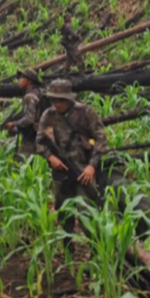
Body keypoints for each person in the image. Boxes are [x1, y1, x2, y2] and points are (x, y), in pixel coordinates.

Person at [36, 78, 109, 251]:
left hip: (83, 169)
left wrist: (92, 165)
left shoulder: (86, 113)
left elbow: (101, 139)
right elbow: (39, 140)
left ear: (69, 99)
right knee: (63, 211)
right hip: (61, 171)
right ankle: (68, 247)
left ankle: (96, 253)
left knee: (87, 212)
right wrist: (49, 157)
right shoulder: (49, 115)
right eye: (54, 99)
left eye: (61, 100)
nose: (57, 104)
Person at [4, 69, 44, 158]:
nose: (19, 80)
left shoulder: (29, 96)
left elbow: (29, 119)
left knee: (22, 159)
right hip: (41, 130)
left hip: (32, 133)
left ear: (29, 81)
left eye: (22, 78)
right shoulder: (40, 91)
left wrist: (14, 124)